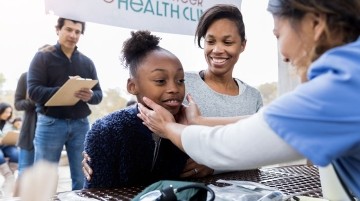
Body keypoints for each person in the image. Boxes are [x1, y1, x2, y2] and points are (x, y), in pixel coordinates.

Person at [138, 0, 360, 199]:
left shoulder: (340, 87)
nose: (283, 54)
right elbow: (265, 124)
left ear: (315, 24)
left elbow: (226, 145)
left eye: (278, 35)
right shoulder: (351, 72)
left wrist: (168, 127)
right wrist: (199, 123)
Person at [82, 4, 263, 179]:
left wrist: (214, 164)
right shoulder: (179, 85)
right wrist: (100, 149)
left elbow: (260, 151)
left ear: (242, 45)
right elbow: (136, 118)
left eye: (228, 42)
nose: (217, 50)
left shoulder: (253, 97)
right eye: (210, 41)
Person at [83, 30, 188, 188]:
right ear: (132, 86)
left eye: (180, 80)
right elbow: (97, 193)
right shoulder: (107, 131)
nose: (174, 88)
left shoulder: (186, 128)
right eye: (160, 80)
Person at [27, 17, 103, 190]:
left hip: (81, 125)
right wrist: (64, 90)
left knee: (83, 176)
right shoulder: (42, 57)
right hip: (50, 123)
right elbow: (33, 91)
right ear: (58, 30)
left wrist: (90, 95)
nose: (73, 35)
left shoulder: (87, 62)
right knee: (44, 179)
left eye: (77, 32)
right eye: (68, 29)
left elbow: (99, 95)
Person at [14, 72, 36, 176]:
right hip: (29, 132)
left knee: (46, 175)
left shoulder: (55, 76)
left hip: (53, 133)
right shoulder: (26, 76)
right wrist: (34, 101)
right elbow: (17, 104)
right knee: (25, 171)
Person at [0, 103, 18, 196]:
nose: (8, 114)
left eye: (10, 112)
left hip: (6, 144)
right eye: (6, 112)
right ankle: (9, 177)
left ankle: (9, 180)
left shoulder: (9, 123)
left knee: (15, 154)